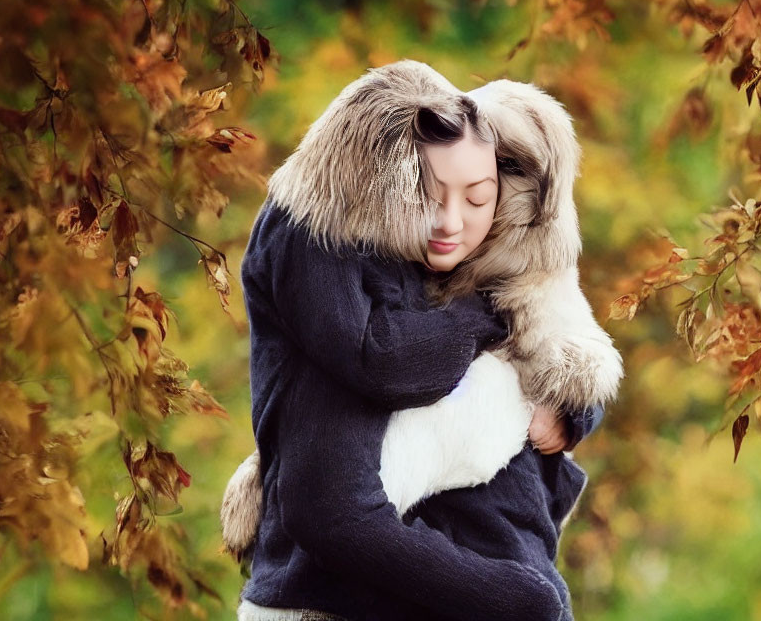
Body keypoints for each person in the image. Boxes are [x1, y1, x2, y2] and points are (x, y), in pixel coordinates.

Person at [228, 59, 623, 621]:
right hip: (372, 593)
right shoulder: (363, 271)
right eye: (431, 194)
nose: (451, 221)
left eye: (477, 198)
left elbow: (572, 347)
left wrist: (573, 412)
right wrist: (521, 599)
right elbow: (332, 500)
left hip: (487, 570)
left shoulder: (510, 257)